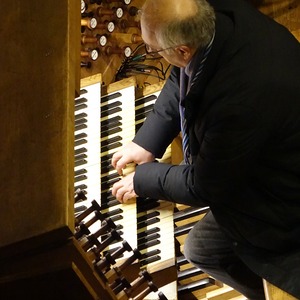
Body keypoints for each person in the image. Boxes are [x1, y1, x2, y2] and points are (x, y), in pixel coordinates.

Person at [111, 0, 300, 298]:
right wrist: (147, 141)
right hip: (265, 145)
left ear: (183, 49)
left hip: (283, 197)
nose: (149, 54)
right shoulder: (214, 18)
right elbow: (182, 76)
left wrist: (142, 179)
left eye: (152, 49)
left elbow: (204, 185)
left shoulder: (238, 104)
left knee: (200, 250)